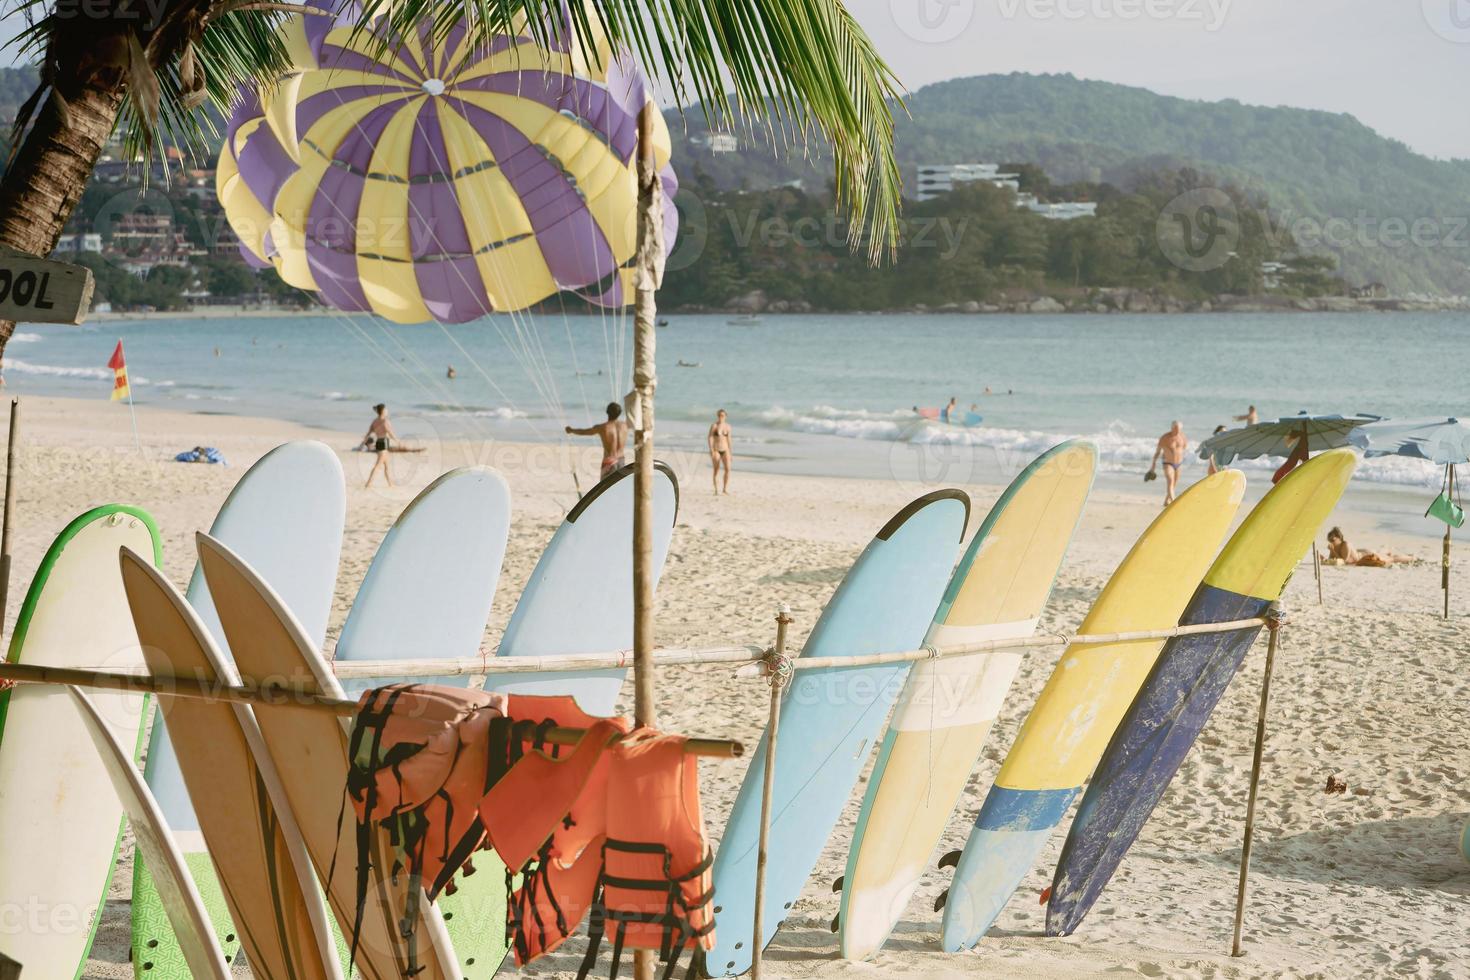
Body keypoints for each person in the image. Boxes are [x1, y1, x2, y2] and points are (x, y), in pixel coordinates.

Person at [567, 402, 628, 478]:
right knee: (620, 485)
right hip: (621, 460)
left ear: (607, 412)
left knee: (605, 487)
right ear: (619, 413)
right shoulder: (625, 426)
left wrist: (571, 430)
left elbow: (584, 432)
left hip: (609, 461)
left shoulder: (602, 427)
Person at [1322, 527, 1413, 567]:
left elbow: (1343, 561)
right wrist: (1325, 558)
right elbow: (1333, 559)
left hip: (1365, 556)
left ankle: (1411, 557)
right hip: (1360, 554)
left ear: (1339, 538)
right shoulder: (1335, 546)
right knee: (1385, 555)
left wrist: (1332, 551)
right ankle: (1386, 552)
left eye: (1333, 540)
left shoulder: (1346, 544)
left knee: (1391, 559)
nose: (1331, 542)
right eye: (1330, 541)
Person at [1148, 421, 1187, 505]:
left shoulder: (1182, 437)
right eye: (1176, 429)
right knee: (1170, 481)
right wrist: (1153, 465)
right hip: (1167, 463)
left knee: (1174, 484)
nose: (1177, 431)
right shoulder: (1165, 438)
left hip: (1178, 464)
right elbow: (1158, 452)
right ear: (1172, 428)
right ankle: (1174, 503)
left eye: (1179, 429)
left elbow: (1183, 448)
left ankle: (1166, 501)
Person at [363, 403, 397, 488]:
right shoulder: (385, 421)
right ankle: (368, 483)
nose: (387, 411)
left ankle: (390, 483)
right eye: (386, 409)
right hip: (384, 443)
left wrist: (364, 442)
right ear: (382, 411)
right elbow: (390, 432)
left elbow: (369, 433)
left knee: (386, 465)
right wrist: (397, 441)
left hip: (379, 442)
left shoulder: (375, 421)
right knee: (378, 465)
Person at [708, 409, 733, 494]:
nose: (721, 417)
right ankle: (716, 490)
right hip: (716, 450)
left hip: (725, 450)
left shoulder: (728, 427)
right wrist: (711, 449)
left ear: (726, 416)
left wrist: (730, 452)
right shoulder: (714, 426)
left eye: (722, 415)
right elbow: (710, 437)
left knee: (728, 469)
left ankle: (725, 489)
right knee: (716, 469)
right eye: (719, 415)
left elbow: (729, 439)